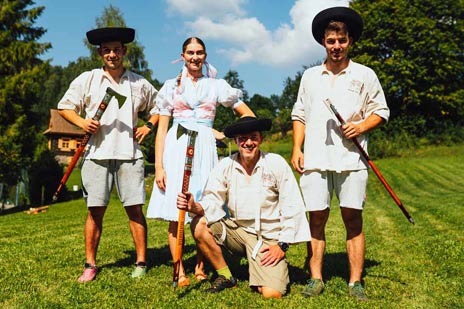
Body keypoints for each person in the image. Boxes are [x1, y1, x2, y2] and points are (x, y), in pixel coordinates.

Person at [291, 7, 390, 300]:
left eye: (342, 41)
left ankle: (355, 281)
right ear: (324, 41)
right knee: (316, 219)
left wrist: (360, 126)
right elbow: (300, 115)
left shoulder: (365, 74)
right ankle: (316, 278)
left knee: (352, 219)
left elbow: (381, 111)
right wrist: (297, 147)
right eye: (331, 41)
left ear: (350, 42)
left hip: (351, 160)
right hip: (316, 160)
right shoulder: (309, 76)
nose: (336, 47)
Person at [146, 37, 255, 287]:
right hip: (176, 147)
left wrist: (224, 133)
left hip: (205, 148)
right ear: (182, 55)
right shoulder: (170, 86)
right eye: (190, 52)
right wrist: (160, 166)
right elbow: (161, 130)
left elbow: (247, 115)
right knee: (177, 211)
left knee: (203, 207)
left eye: (200, 53)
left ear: (205, 56)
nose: (195, 57)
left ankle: (201, 266)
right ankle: (179, 269)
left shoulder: (216, 85)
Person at [57, 27, 159, 282]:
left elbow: (160, 107)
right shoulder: (88, 79)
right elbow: (64, 107)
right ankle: (90, 264)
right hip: (96, 154)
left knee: (134, 209)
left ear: (124, 51)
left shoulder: (138, 82)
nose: (112, 54)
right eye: (106, 50)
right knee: (95, 211)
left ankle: (141, 262)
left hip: (130, 154)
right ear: (100, 53)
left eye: (116, 49)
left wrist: (149, 125)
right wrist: (82, 123)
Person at [176, 116, 310, 298]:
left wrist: (282, 245)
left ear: (261, 139)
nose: (248, 143)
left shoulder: (276, 163)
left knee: (271, 294)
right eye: (242, 138)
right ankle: (226, 276)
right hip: (238, 233)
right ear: (236, 141)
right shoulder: (225, 165)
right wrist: (194, 206)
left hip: (268, 239)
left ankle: (268, 270)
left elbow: (292, 206)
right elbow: (212, 201)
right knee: (199, 223)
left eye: (253, 137)